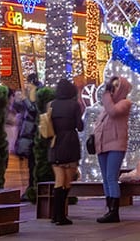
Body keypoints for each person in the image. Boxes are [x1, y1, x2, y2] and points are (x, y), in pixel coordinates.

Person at [92, 75, 132, 223]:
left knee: (111, 178)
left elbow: (114, 112)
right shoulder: (106, 107)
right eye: (112, 86)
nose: (113, 89)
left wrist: (106, 95)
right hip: (102, 145)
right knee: (105, 179)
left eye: (116, 86)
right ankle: (109, 209)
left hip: (116, 146)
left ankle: (114, 212)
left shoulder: (125, 103)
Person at [47, 78, 84, 226]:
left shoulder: (51, 105)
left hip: (55, 144)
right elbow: (80, 126)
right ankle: (61, 215)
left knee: (58, 180)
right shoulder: (74, 105)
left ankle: (56, 215)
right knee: (67, 181)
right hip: (70, 143)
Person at [12, 74, 40, 192]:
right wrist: (18, 100)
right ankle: (30, 187)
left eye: (28, 83)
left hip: (33, 134)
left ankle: (33, 187)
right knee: (30, 164)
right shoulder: (28, 94)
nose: (27, 86)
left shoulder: (37, 94)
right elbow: (19, 109)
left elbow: (33, 110)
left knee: (33, 164)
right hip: (27, 134)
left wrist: (25, 100)